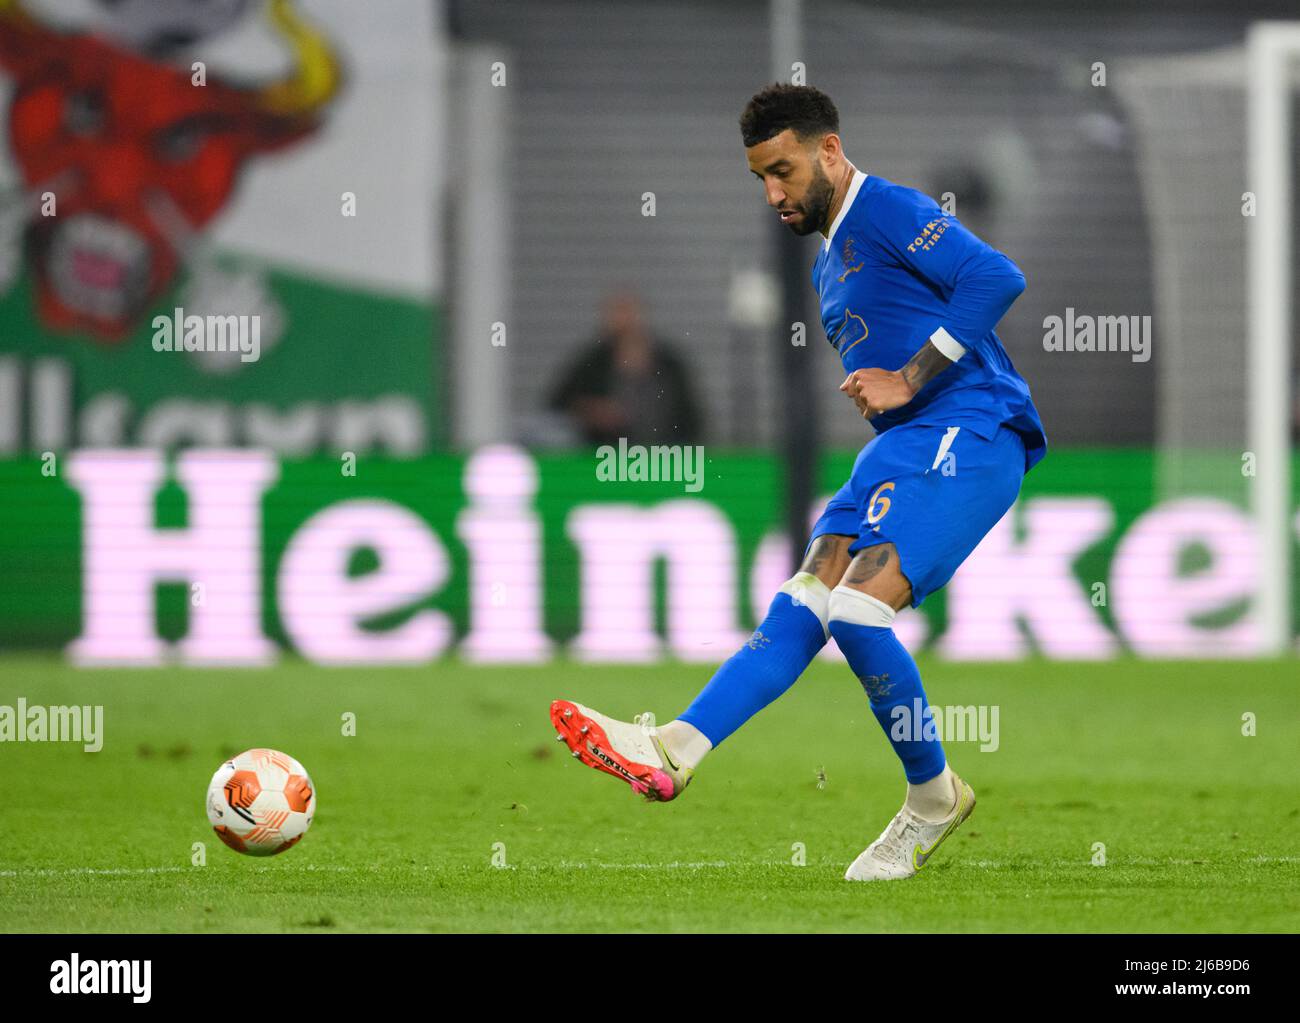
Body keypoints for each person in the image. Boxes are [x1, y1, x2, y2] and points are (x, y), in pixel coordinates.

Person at [550, 83, 1047, 881]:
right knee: (806, 598)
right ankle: (675, 746)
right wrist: (892, 395)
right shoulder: (827, 264)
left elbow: (997, 276)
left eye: (783, 171)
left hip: (974, 428)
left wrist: (909, 376)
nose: (774, 193)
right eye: (760, 180)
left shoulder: (883, 208)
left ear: (829, 150)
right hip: (907, 445)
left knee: (857, 610)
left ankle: (932, 798)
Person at [548, 290, 702, 446]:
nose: (624, 322)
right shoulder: (592, 364)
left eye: (628, 313)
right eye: (617, 314)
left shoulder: (669, 363)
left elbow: (691, 418)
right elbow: (557, 405)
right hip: (605, 457)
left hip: (664, 454)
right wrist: (592, 411)